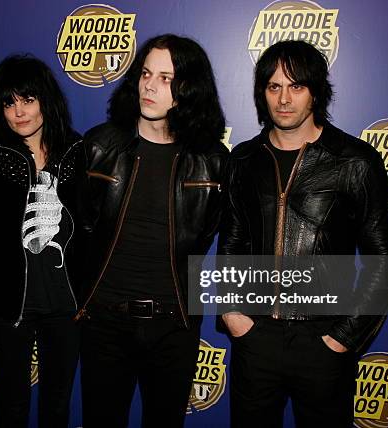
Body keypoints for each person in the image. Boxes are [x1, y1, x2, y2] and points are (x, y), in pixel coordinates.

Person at [218, 40, 388, 427]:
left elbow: (385, 259)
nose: (284, 99)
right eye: (273, 87)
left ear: (315, 92)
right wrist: (233, 314)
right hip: (255, 338)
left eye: (296, 86)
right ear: (262, 94)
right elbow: (232, 240)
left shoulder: (354, 161)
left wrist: (342, 338)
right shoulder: (243, 160)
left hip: (323, 340)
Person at [76, 34, 229, 427]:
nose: (149, 85)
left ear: (188, 88)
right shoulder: (99, 145)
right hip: (105, 323)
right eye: (146, 73)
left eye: (166, 78)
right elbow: (76, 228)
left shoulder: (211, 161)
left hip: (173, 325)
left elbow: (217, 233)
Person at [0, 54, 84, 428]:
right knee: (12, 408)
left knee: (57, 408)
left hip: (66, 305)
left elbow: (93, 228)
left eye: (27, 100)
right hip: (9, 306)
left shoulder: (76, 151)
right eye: (9, 102)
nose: (18, 112)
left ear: (45, 101)